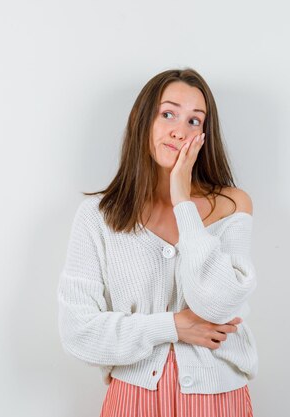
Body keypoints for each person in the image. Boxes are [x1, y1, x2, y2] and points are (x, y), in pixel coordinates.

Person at [57, 68, 258, 417]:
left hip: (219, 400)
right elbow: (79, 331)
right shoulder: (97, 216)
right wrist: (173, 326)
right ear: (142, 121)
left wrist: (183, 202)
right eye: (168, 114)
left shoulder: (232, 205)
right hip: (133, 400)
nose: (180, 130)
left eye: (195, 121)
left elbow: (219, 306)